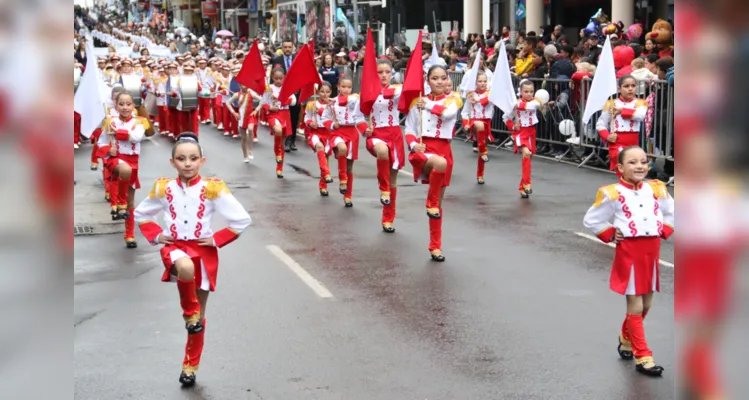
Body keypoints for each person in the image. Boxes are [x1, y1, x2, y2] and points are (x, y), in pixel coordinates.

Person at [133, 133, 252, 387]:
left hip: (204, 252)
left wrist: (218, 238)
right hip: (175, 249)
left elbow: (241, 219)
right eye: (181, 158)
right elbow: (141, 213)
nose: (187, 163)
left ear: (202, 161)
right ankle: (189, 313)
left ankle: (190, 367)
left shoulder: (213, 187)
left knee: (200, 318)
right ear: (172, 162)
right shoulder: (163, 187)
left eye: (193, 158)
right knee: (185, 269)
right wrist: (158, 235)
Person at [582, 145, 674, 377]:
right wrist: (611, 233)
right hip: (630, 252)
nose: (640, 166)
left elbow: (672, 211)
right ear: (620, 167)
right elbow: (592, 219)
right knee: (636, 305)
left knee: (648, 304)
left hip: (652, 252)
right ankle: (643, 356)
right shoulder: (612, 192)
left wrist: (664, 228)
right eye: (632, 162)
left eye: (643, 161)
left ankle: (625, 337)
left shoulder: (657, 189)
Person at [404, 65, 463, 261]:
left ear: (447, 80)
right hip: (423, 150)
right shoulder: (417, 101)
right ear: (427, 81)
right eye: (434, 78)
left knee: (439, 204)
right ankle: (430, 202)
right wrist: (413, 145)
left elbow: (447, 114)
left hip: (444, 148)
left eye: (442, 78)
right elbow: (410, 129)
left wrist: (427, 105)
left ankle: (435, 246)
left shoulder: (453, 99)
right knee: (439, 167)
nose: (439, 82)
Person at [96, 92, 154, 248]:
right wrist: (109, 149)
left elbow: (136, 137)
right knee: (125, 170)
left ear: (133, 106)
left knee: (130, 202)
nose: (125, 107)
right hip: (116, 159)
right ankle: (119, 204)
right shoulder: (110, 121)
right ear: (116, 106)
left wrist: (117, 133)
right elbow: (100, 143)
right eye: (121, 104)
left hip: (134, 162)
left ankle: (129, 235)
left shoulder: (140, 122)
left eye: (128, 104)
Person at [362, 60, 404, 232]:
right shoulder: (367, 92)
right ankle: (383, 189)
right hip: (376, 135)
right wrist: (365, 129)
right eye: (380, 72)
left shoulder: (398, 90)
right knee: (382, 151)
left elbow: (411, 96)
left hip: (394, 134)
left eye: (388, 71)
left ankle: (388, 219)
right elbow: (358, 116)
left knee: (393, 180)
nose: (384, 75)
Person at [595, 75, 648, 178]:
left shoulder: (641, 103)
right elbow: (600, 123)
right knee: (623, 169)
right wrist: (607, 136)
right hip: (616, 142)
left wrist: (621, 111)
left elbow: (640, 116)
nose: (630, 89)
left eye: (633, 86)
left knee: (633, 173)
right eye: (626, 86)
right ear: (619, 88)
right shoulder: (611, 103)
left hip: (633, 143)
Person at [329, 76, 367, 207]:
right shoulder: (331, 103)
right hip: (338, 132)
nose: (346, 89)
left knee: (350, 166)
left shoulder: (354, 99)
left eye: (349, 87)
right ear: (338, 87)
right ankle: (342, 180)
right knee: (342, 149)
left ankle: (348, 195)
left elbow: (348, 101)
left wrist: (334, 99)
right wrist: (332, 125)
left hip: (352, 132)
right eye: (343, 86)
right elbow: (325, 118)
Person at [503, 80, 542, 198]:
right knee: (526, 153)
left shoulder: (536, 101)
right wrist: (512, 125)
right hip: (520, 132)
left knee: (528, 158)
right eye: (526, 91)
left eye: (531, 91)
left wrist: (516, 104)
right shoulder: (514, 104)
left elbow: (532, 106)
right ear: (520, 91)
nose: (529, 94)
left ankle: (522, 187)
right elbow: (505, 117)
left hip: (531, 132)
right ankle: (527, 183)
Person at [258, 67, 297, 178]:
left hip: (285, 114)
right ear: (272, 78)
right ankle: (277, 152)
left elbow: (294, 101)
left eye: (280, 78)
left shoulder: (287, 88)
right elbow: (263, 103)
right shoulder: (268, 88)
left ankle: (279, 168)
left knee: (282, 143)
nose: (278, 81)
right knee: (278, 130)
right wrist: (270, 108)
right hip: (273, 114)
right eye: (276, 78)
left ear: (284, 78)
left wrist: (282, 99)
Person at [461, 71, 494, 185]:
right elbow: (465, 112)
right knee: (479, 125)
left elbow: (489, 100)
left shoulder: (490, 94)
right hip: (475, 122)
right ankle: (483, 150)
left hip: (487, 123)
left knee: (482, 149)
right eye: (480, 81)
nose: (483, 83)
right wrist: (465, 123)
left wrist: (479, 100)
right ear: (475, 82)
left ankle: (480, 175)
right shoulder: (471, 95)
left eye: (485, 81)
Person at [304, 83, 335, 196]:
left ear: (331, 92)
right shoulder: (312, 104)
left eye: (327, 92)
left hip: (328, 134)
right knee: (319, 147)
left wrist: (321, 111)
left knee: (325, 160)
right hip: (316, 133)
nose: (325, 94)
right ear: (318, 92)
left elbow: (334, 119)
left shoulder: (333, 105)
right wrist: (311, 123)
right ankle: (327, 173)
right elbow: (306, 117)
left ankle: (323, 185)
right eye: (322, 92)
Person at [271, 39, 300, 151]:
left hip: (295, 92)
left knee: (294, 117)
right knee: (283, 117)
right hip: (280, 93)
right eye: (285, 47)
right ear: (282, 48)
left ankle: (292, 140)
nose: (287, 49)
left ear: (292, 47)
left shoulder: (297, 59)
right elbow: (272, 77)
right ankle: (285, 140)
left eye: (289, 47)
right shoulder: (276, 60)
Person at [226, 83, 258, 162]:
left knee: (250, 129)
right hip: (242, 118)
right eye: (243, 85)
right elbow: (228, 103)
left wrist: (256, 110)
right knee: (243, 138)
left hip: (250, 116)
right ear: (240, 86)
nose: (245, 86)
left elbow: (262, 100)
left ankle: (250, 149)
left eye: (246, 84)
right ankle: (245, 156)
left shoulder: (251, 93)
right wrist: (234, 113)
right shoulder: (237, 95)